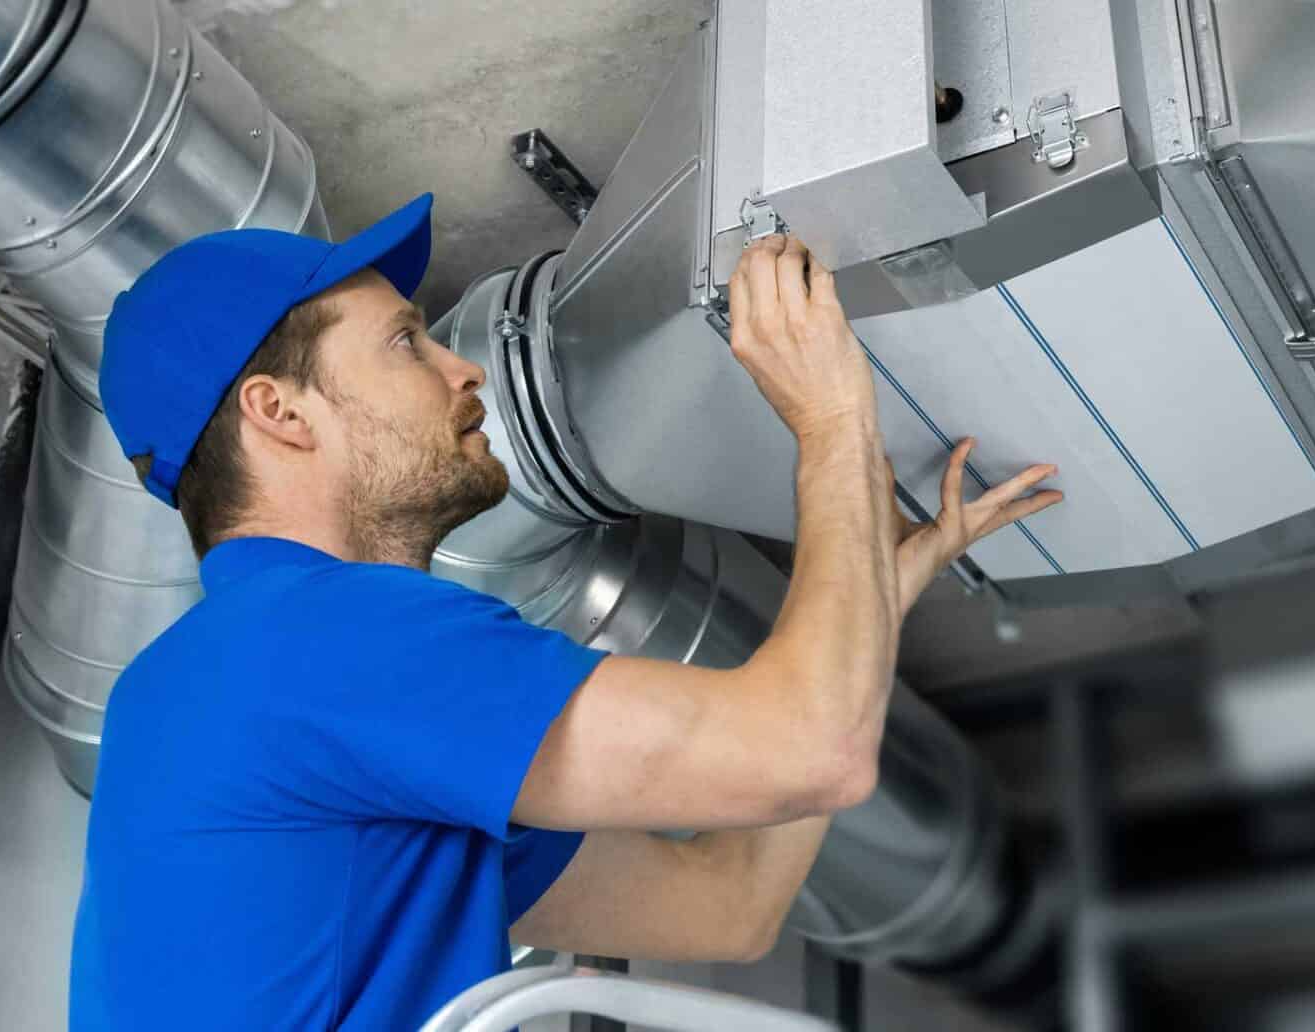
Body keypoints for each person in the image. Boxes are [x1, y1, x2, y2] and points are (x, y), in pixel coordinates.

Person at [67, 194, 1061, 1030]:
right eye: (404, 343)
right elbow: (813, 755)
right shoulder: (314, 644)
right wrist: (833, 418)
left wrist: (875, 588)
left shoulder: (246, 686)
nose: (463, 370)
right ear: (280, 412)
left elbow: (730, 905)